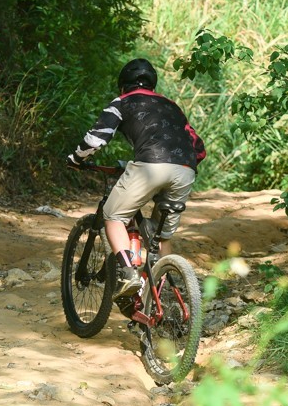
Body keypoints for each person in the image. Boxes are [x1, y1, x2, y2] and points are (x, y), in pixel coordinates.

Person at [67, 58, 206, 299]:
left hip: (151, 166)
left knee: (113, 216)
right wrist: (178, 167)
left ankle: (128, 273)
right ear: (152, 85)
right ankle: (159, 297)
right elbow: (199, 148)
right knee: (162, 235)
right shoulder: (172, 106)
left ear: (123, 85)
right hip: (186, 168)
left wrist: (76, 159)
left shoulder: (122, 102)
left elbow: (96, 139)